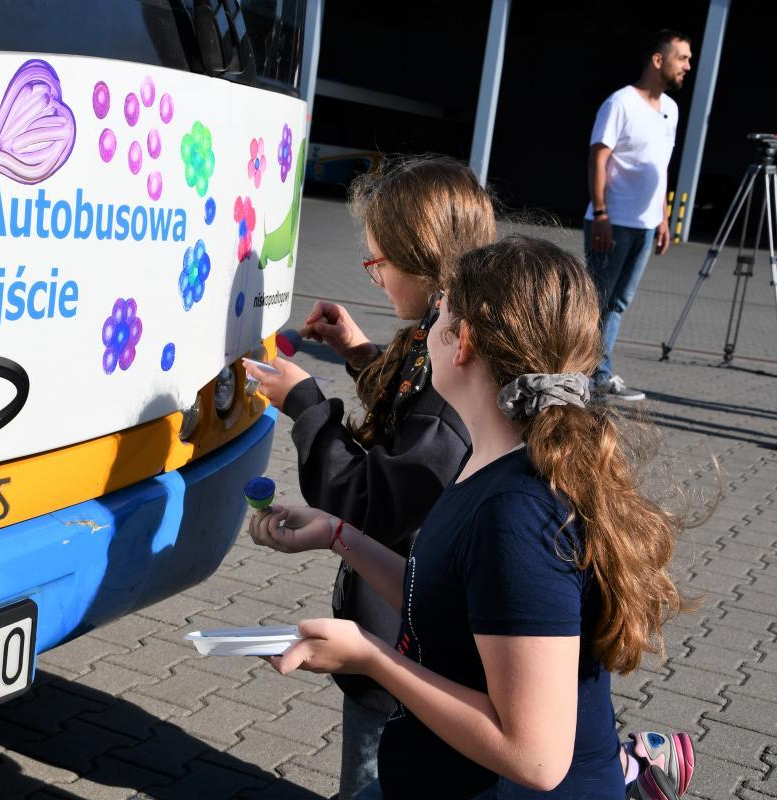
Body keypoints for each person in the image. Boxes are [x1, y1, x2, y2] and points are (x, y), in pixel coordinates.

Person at [248, 236, 698, 799]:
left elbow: (536, 758)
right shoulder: (492, 459)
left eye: (438, 316)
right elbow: (444, 596)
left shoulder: (518, 514)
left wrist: (371, 657)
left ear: (463, 343)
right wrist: (339, 535)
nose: (426, 332)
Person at [245, 157, 496, 798]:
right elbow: (414, 410)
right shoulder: (444, 335)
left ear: (424, 260)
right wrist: (359, 353)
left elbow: (372, 498)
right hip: (401, 631)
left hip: (405, 648)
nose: (374, 274)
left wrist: (306, 404)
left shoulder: (449, 377)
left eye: (379, 262)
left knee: (372, 777)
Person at [585, 29, 693, 401]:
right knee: (597, 302)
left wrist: (663, 218)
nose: (688, 66)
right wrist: (601, 213)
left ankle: (599, 374)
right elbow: (598, 159)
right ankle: (586, 374)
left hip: (645, 226)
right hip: (613, 222)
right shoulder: (620, 104)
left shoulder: (671, 110)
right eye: (682, 58)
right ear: (658, 60)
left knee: (617, 303)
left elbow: (660, 167)